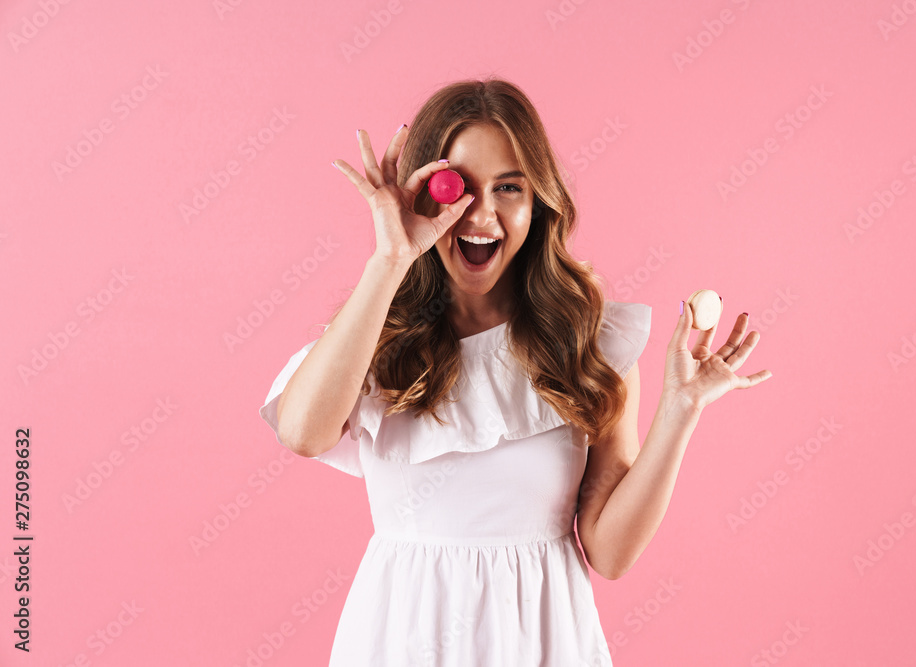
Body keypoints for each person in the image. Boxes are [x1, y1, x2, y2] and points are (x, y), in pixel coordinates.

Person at [259, 78, 772, 666]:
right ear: (421, 194)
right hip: (402, 637)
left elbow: (609, 553)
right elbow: (302, 434)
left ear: (539, 202)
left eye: (509, 187)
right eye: (457, 187)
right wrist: (391, 257)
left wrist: (680, 410)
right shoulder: (372, 336)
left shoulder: (587, 341)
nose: (481, 213)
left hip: (545, 640)